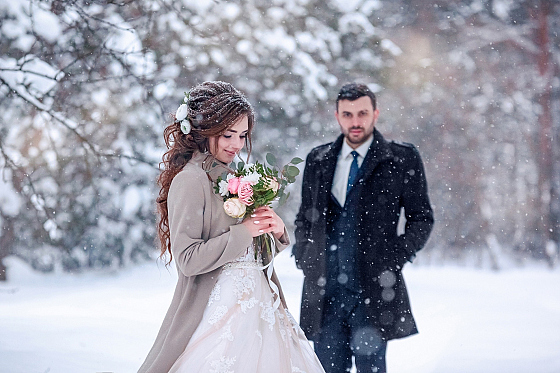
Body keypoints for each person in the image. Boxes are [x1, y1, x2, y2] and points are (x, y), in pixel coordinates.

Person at [138, 81, 325, 373]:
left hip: (262, 309)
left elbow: (246, 256)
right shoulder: (190, 180)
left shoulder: (238, 176)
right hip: (214, 312)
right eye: (227, 134)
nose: (236, 145)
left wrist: (273, 232)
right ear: (203, 130)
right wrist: (245, 231)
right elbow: (188, 260)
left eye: (242, 135)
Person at [293, 83, 434, 373]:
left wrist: (393, 258)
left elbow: (422, 218)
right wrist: (305, 255)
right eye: (347, 114)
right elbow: (305, 219)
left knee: (371, 368)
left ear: (375, 114)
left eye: (362, 113)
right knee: (328, 369)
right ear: (337, 116)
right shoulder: (318, 160)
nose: (355, 122)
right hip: (325, 292)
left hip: (372, 289)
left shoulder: (401, 159)